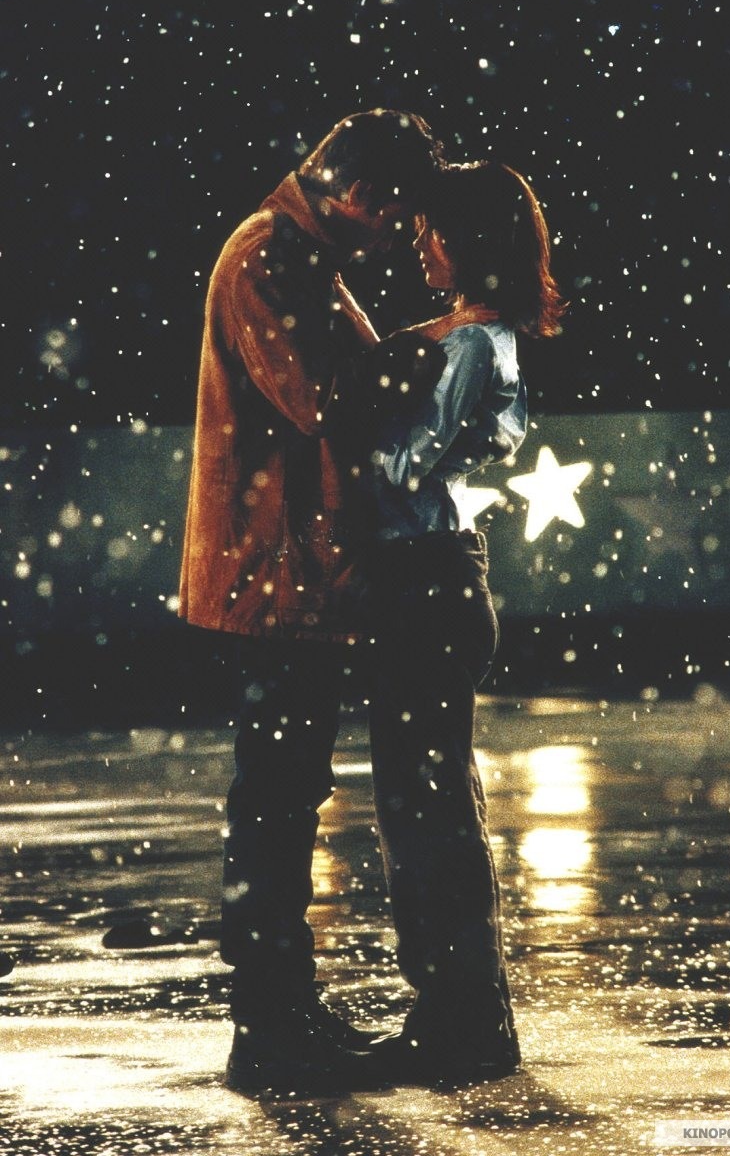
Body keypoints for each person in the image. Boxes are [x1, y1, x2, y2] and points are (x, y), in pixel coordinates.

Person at [178, 109, 447, 1095]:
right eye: (399, 213)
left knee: (284, 797)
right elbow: (325, 400)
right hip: (278, 575)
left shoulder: (298, 255)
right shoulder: (269, 258)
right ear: (363, 194)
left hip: (293, 572)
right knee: (275, 801)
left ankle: (281, 1015)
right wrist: (440, 341)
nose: (399, 234)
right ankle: (270, 1030)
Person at [336, 160, 566, 1084]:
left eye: (431, 228)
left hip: (424, 580)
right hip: (435, 580)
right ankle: (462, 1016)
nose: (419, 241)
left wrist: (341, 414)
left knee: (424, 814)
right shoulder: (477, 335)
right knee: (430, 806)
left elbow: (402, 464)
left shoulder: (471, 344)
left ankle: (459, 1023)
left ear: (466, 239)